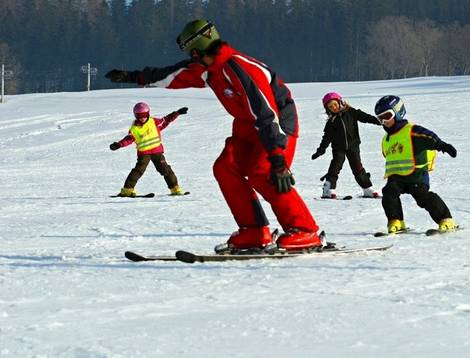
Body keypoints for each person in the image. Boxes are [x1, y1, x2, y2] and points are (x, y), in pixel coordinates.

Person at [105, 19, 322, 251]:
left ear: (196, 50)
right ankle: (254, 231)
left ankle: (306, 230)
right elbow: (170, 75)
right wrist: (132, 76)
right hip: (247, 125)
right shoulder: (208, 69)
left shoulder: (237, 68)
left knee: (264, 173)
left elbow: (266, 112)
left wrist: (277, 157)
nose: (190, 58)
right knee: (225, 167)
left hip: (276, 125)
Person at [374, 95, 458, 234]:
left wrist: (444, 146)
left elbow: (429, 138)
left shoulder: (412, 131)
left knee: (422, 197)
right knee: (389, 193)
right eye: (380, 119)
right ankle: (396, 221)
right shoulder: (386, 139)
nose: (384, 122)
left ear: (398, 112)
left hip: (416, 174)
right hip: (397, 177)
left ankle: (446, 219)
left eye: (387, 116)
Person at [312, 92, 381, 199]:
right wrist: (320, 150)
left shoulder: (351, 112)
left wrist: (379, 121)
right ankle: (328, 190)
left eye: (334, 104)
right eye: (330, 107)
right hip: (338, 148)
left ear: (340, 102)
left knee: (358, 167)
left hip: (353, 146)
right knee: (335, 166)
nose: (333, 108)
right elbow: (326, 138)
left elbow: (365, 117)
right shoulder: (331, 121)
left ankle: (367, 188)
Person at [110, 102, 187, 197]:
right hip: (144, 153)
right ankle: (127, 190)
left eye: (144, 115)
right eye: (139, 116)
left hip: (157, 152)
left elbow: (166, 120)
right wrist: (118, 144)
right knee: (138, 170)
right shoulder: (135, 128)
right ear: (136, 116)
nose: (142, 118)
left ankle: (175, 189)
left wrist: (177, 113)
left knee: (165, 170)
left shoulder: (154, 122)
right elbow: (128, 139)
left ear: (148, 114)